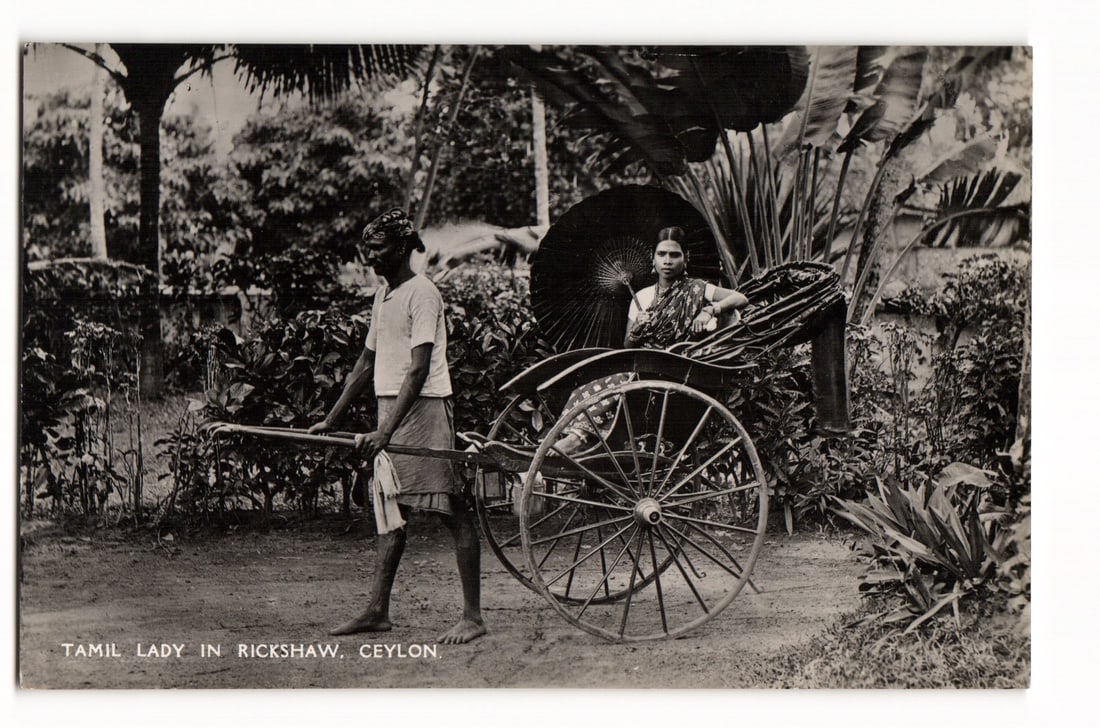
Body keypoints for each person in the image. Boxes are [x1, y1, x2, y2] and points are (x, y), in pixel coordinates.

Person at [309, 208, 486, 645]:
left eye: (378, 248)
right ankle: (377, 610)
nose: (370, 256)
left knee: (451, 508)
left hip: (424, 409)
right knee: (392, 510)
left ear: (404, 247)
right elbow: (365, 363)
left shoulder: (423, 293)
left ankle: (473, 617)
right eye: (367, 248)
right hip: (392, 408)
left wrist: (385, 432)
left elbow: (418, 369)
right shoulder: (383, 295)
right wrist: (330, 419)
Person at [554, 226, 747, 454]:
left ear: (686, 258)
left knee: (618, 382)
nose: (667, 261)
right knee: (597, 377)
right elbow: (628, 345)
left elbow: (740, 298)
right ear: (653, 258)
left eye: (674, 255)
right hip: (643, 364)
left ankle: (578, 440)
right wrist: (637, 329)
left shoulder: (697, 289)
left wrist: (710, 310)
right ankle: (578, 436)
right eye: (661, 254)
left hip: (675, 368)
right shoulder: (643, 296)